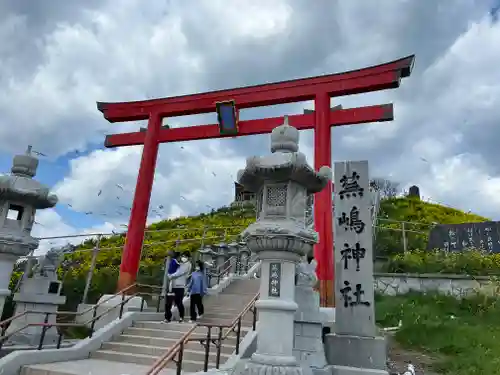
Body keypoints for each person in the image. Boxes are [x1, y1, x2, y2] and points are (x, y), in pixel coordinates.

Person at [164, 253, 191, 323]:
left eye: (185, 256)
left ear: (188, 257)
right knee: (168, 302)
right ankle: (167, 318)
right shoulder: (180, 264)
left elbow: (180, 272)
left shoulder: (187, 264)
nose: (183, 258)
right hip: (172, 286)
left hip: (180, 286)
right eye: (182, 256)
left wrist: (171, 275)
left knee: (178, 302)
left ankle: (181, 317)